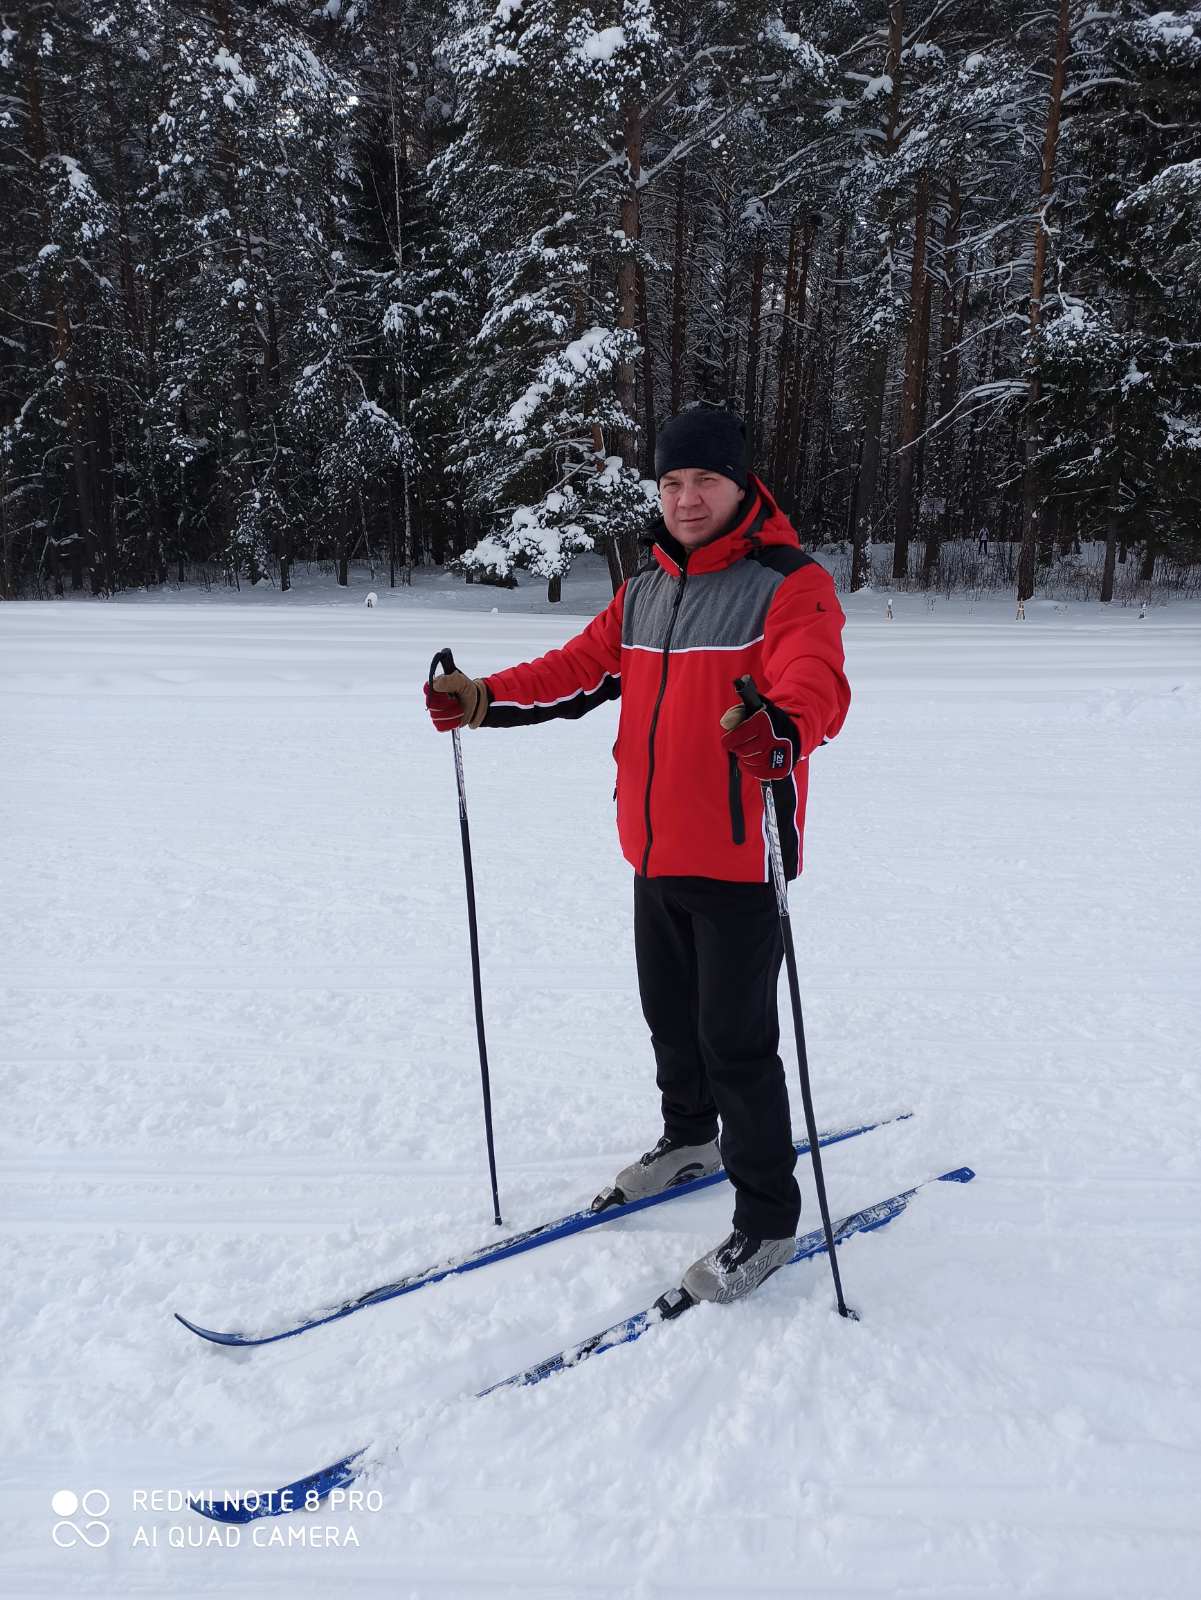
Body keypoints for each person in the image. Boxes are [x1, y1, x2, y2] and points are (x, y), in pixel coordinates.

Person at [424, 409, 851, 1303]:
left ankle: (767, 1218)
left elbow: (816, 681)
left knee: (739, 1047)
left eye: (704, 481)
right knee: (671, 1022)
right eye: (671, 484)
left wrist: (782, 728)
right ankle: (690, 1138)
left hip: (740, 862)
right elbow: (578, 668)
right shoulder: (647, 587)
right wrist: (483, 697)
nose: (687, 498)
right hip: (653, 852)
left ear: (741, 486)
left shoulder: (789, 582)